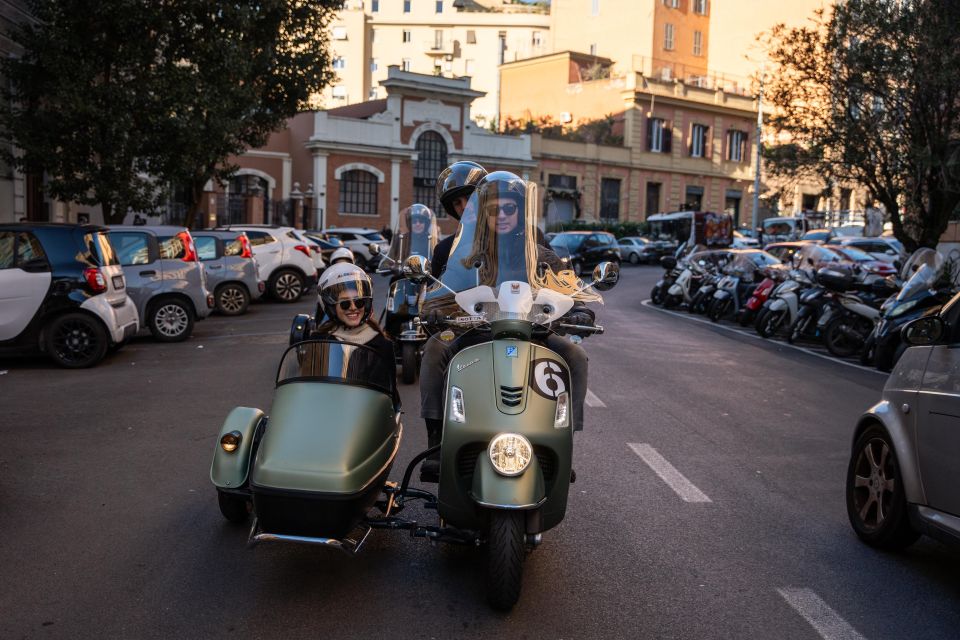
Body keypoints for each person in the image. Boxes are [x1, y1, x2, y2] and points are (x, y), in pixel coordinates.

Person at [417, 171, 591, 482]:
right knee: (434, 349)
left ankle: (565, 445)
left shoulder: (537, 249)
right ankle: (436, 444)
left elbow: (564, 284)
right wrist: (432, 308)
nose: (502, 215)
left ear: (520, 211)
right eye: (493, 209)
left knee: (575, 355)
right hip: (475, 330)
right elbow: (446, 288)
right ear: (484, 214)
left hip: (532, 329)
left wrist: (579, 309)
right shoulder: (468, 254)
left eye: (509, 208)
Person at [313, 262, 398, 406]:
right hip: (325, 413)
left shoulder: (382, 344)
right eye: (345, 304)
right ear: (332, 307)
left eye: (359, 302)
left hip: (365, 420)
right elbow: (307, 388)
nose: (353, 308)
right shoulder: (320, 340)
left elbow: (389, 397)